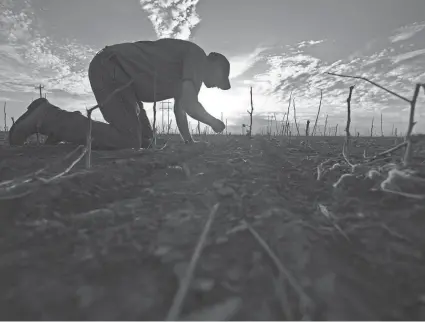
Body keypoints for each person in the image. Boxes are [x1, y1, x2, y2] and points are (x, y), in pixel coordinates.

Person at [9, 38, 230, 149]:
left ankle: (66, 129)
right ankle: (47, 117)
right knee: (129, 139)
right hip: (112, 69)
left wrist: (189, 143)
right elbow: (191, 105)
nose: (219, 86)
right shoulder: (197, 57)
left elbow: (181, 110)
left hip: (125, 82)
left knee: (145, 140)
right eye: (222, 80)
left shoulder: (192, 74)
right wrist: (213, 122)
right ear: (214, 64)